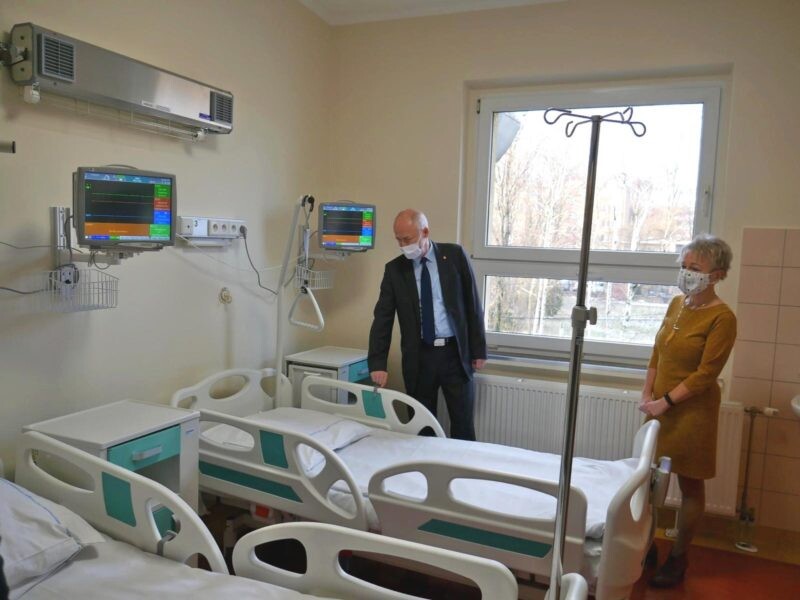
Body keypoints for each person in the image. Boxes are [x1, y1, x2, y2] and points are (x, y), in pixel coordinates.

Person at [639, 233, 737, 588]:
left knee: (690, 485)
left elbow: (705, 375)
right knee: (649, 481)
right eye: (684, 265)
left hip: (693, 412)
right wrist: (648, 392)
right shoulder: (677, 304)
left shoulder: (723, 318)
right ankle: (645, 545)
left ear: (717, 274)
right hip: (659, 406)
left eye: (695, 267)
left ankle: (679, 558)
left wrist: (664, 401)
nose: (687, 273)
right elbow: (658, 351)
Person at [368, 209, 487, 440]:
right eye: (398, 240)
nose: (403, 246)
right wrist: (378, 363)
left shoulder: (454, 256)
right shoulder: (395, 270)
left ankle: (462, 463)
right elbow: (383, 318)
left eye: (408, 239)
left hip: (455, 354)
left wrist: (478, 349)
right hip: (420, 356)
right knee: (421, 426)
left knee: (463, 424)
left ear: (425, 232)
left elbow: (472, 304)